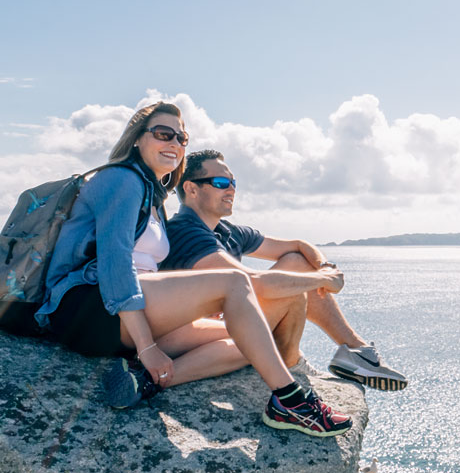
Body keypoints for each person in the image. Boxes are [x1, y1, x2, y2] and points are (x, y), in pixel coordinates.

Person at [35, 102, 352, 437]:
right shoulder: (121, 180)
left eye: (181, 137)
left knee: (253, 337)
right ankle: (292, 402)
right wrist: (148, 347)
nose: (174, 143)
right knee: (233, 282)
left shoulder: (151, 195)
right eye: (163, 134)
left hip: (120, 315)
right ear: (137, 139)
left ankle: (144, 383)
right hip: (87, 307)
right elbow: (116, 267)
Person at [160, 149, 408, 391]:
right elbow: (252, 282)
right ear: (191, 188)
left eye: (233, 182)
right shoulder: (186, 231)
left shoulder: (226, 231)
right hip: (181, 338)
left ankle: (356, 351)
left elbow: (298, 246)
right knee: (290, 289)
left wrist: (323, 267)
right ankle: (293, 363)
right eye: (222, 182)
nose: (232, 189)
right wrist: (321, 279)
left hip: (219, 329)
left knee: (297, 263)